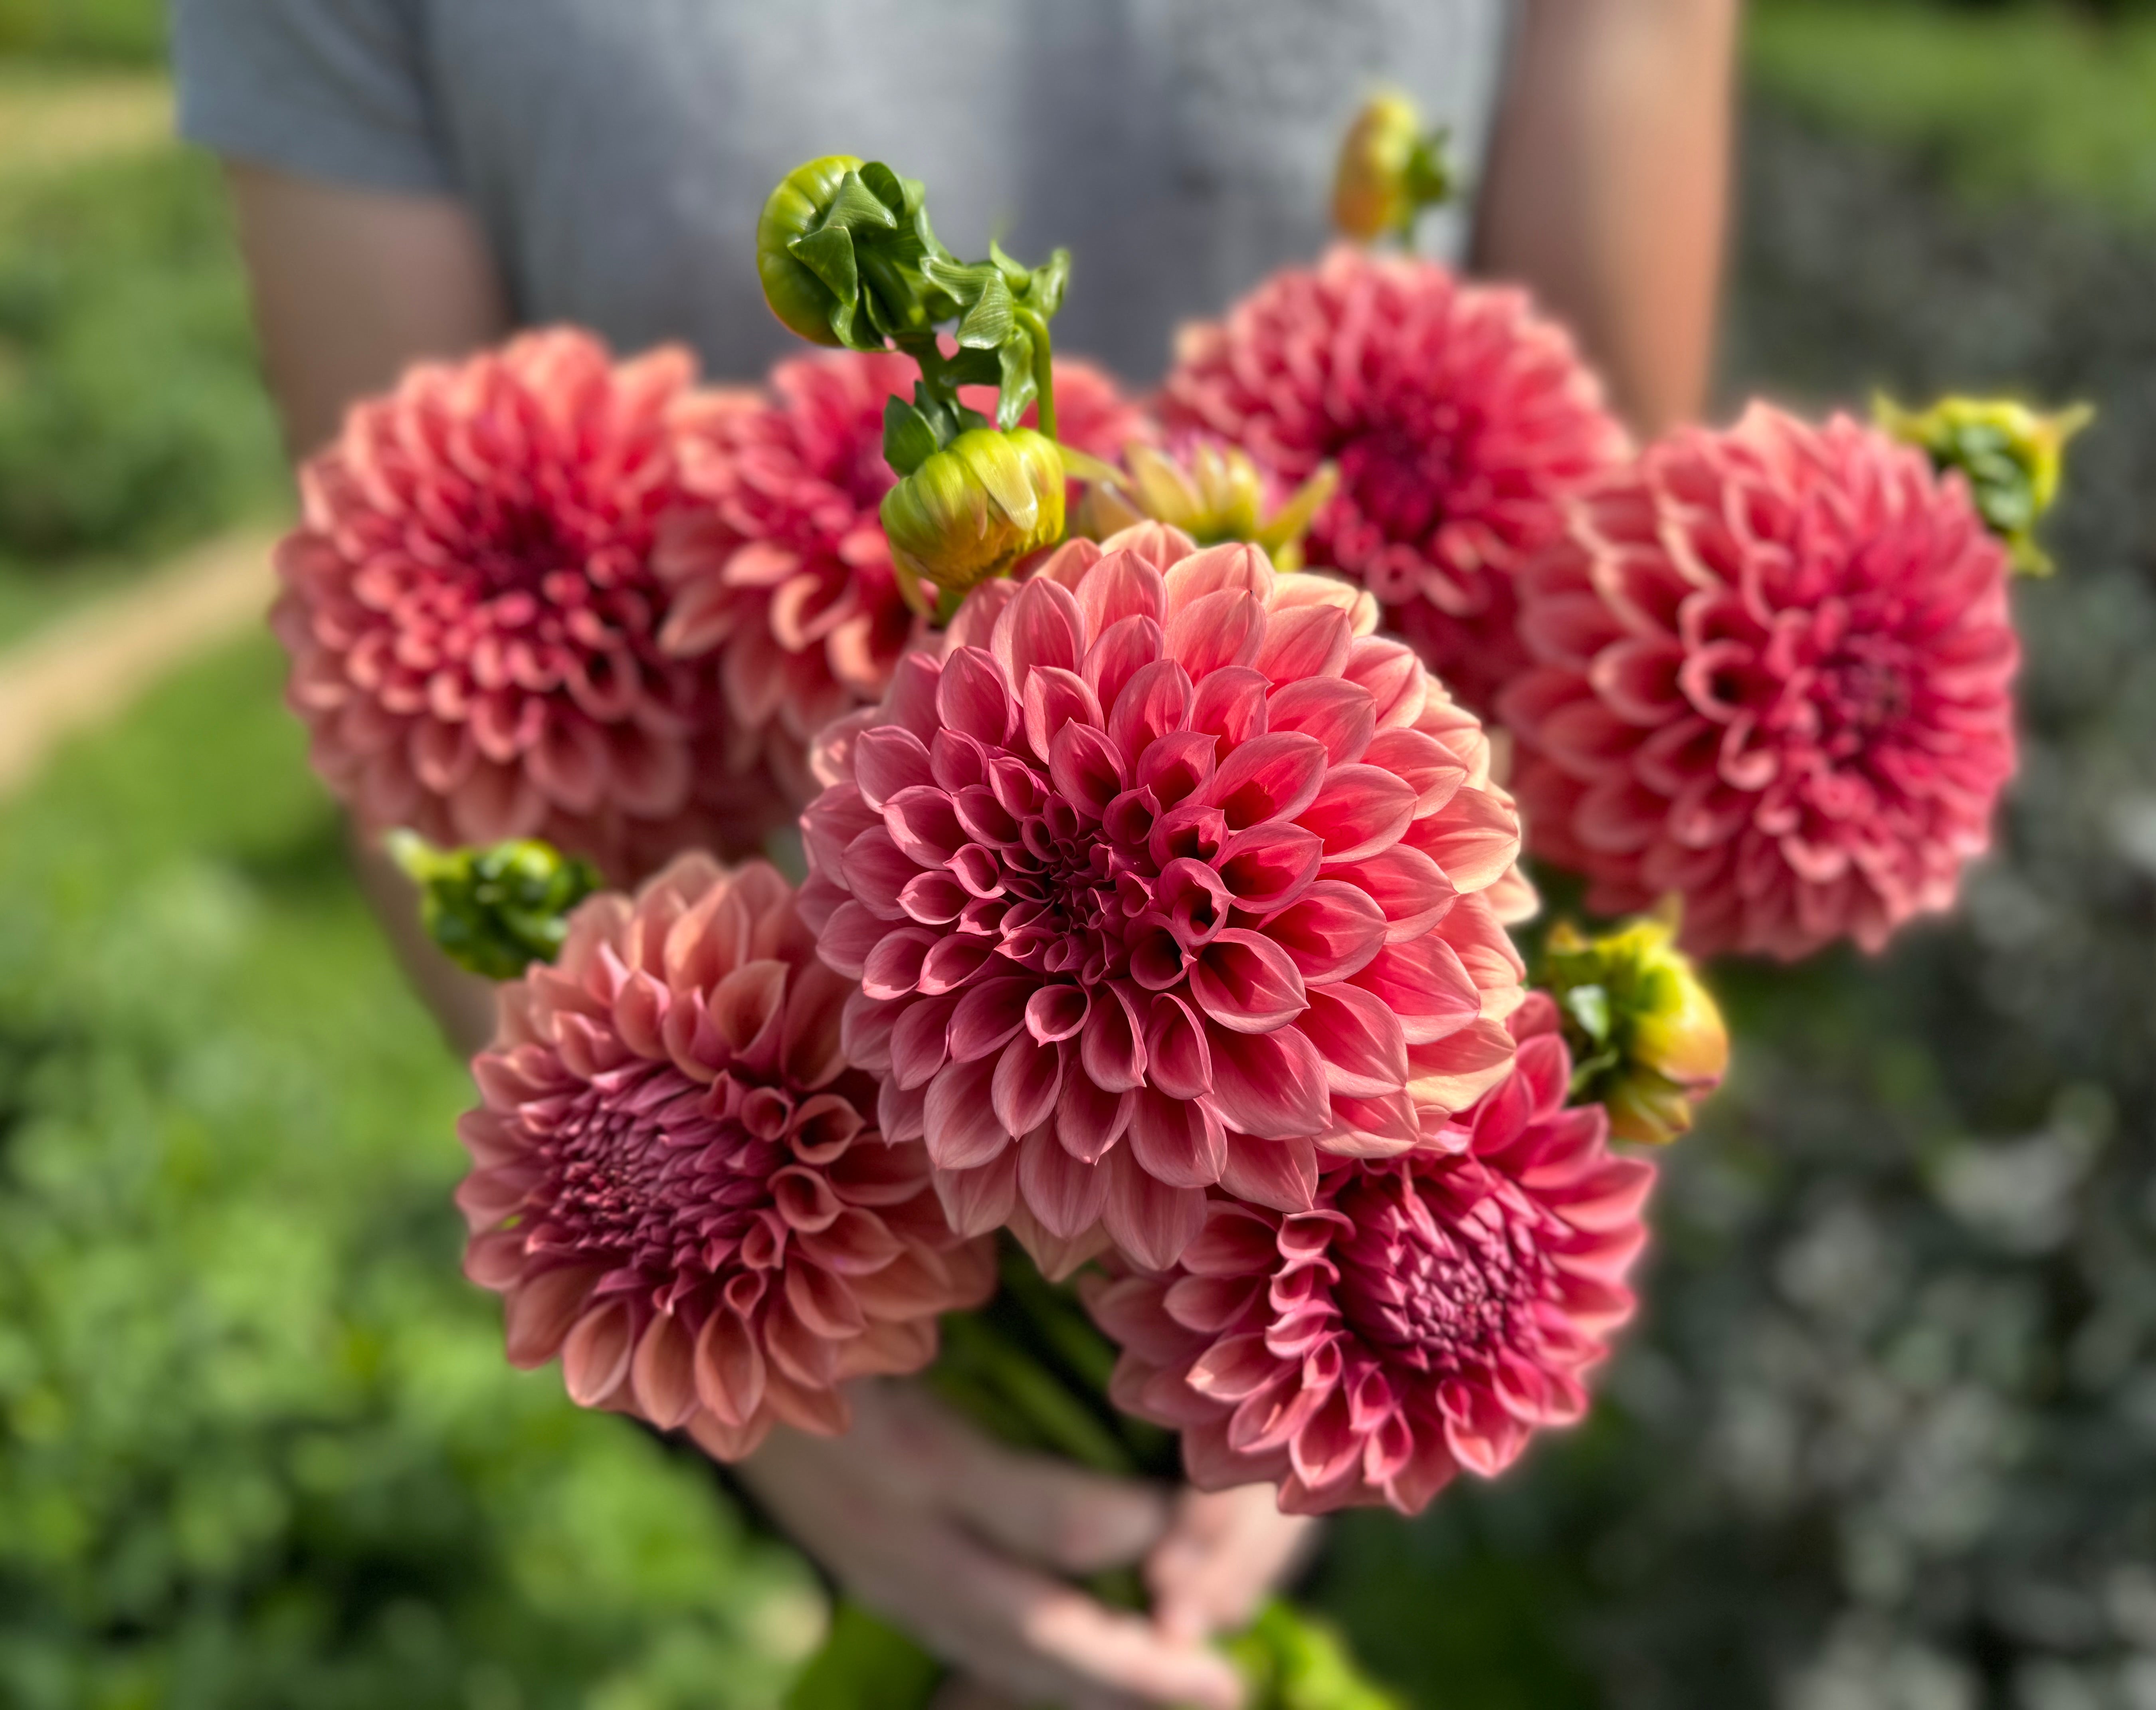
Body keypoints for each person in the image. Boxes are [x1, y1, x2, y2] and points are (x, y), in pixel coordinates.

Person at [172, 3, 1738, 1705]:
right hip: (822, 1051)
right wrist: (804, 1418)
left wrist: (1302, 1352)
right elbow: (379, 688)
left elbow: (1622, 598)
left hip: (1279, 1099)